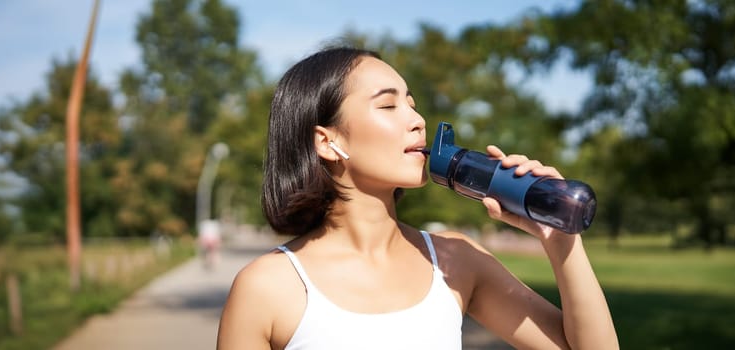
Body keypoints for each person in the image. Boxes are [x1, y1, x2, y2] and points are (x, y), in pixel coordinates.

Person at [216, 46, 618, 349]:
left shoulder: (456, 261)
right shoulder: (267, 287)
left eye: (411, 103)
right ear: (328, 141)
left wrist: (562, 244)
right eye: (388, 104)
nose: (417, 120)